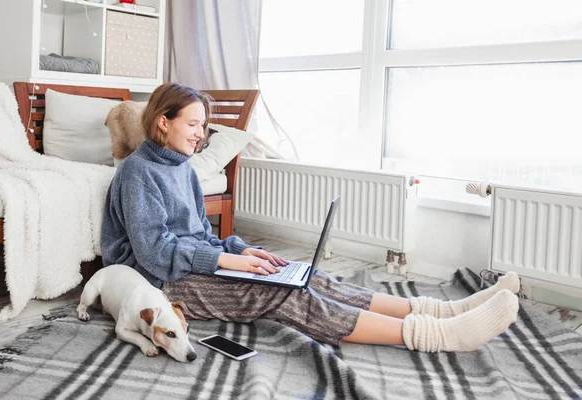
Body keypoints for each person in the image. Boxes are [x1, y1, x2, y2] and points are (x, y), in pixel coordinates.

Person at [101, 83, 520, 353]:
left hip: (185, 265)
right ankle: (436, 336)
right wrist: (229, 262)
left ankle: (436, 310)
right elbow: (155, 253)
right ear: (163, 121)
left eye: (203, 126)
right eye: (193, 124)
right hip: (157, 280)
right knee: (285, 295)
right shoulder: (138, 173)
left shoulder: (182, 169)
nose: (200, 133)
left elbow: (199, 237)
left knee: (302, 275)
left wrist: (244, 251)